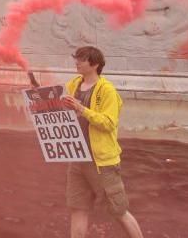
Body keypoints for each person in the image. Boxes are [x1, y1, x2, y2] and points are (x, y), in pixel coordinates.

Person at [61, 47, 144, 238]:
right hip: (77, 158)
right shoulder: (73, 84)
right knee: (78, 208)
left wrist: (81, 109)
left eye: (82, 59)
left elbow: (108, 123)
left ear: (95, 64)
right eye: (77, 58)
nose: (77, 62)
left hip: (102, 162)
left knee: (118, 210)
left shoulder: (107, 90)